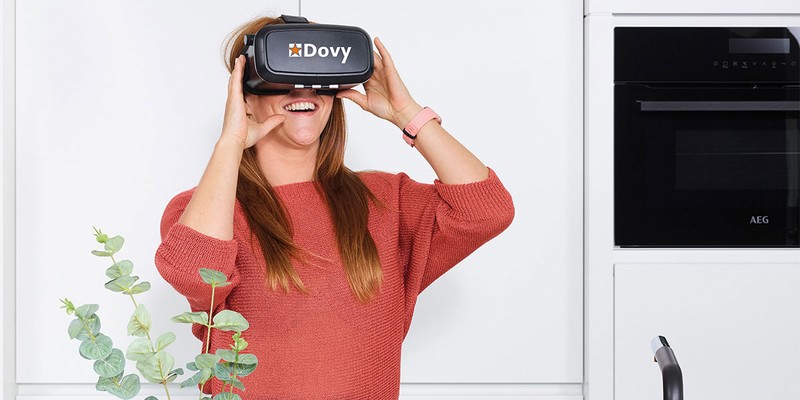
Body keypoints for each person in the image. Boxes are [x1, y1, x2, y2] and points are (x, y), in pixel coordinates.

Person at [155, 15, 514, 399]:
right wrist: (230, 143)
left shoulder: (383, 199)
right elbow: (195, 274)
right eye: (281, 77)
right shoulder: (200, 211)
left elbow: (487, 211)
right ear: (245, 95)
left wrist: (407, 113)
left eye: (317, 78)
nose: (302, 90)